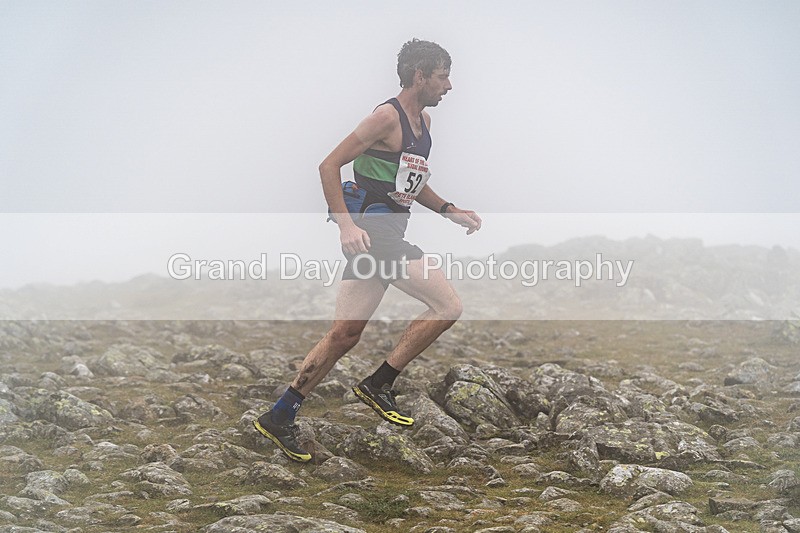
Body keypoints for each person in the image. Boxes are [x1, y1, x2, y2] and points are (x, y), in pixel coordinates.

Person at [253, 38, 482, 462]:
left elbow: (409, 181)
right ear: (419, 75)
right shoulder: (385, 118)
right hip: (375, 235)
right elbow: (328, 165)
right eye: (443, 76)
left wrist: (449, 210)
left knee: (344, 335)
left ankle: (280, 414)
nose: (449, 86)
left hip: (386, 231)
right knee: (447, 306)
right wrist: (345, 225)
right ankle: (378, 384)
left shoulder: (424, 123)